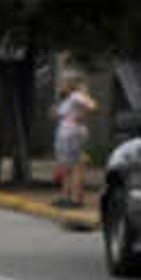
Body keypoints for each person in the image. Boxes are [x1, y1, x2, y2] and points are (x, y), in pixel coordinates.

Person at [52, 73, 96, 211]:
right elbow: (58, 114)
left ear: (70, 83)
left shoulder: (76, 96)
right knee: (66, 167)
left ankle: (76, 198)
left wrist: (82, 116)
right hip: (67, 134)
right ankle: (66, 196)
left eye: (63, 82)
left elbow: (92, 105)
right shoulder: (68, 98)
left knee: (75, 166)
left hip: (72, 135)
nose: (61, 85)